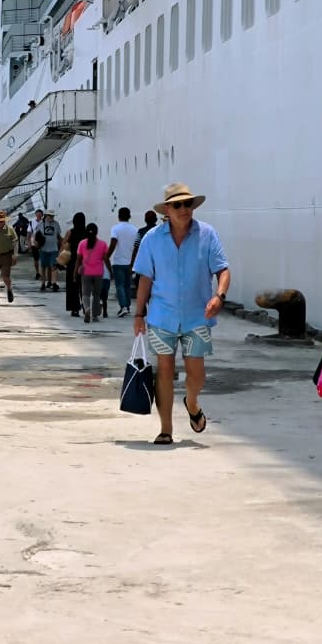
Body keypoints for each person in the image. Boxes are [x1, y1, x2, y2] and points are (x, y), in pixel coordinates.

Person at [133, 183, 230, 446]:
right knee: (164, 369)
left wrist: (219, 296)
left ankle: (192, 402)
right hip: (161, 316)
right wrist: (139, 314)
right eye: (178, 205)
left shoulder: (207, 234)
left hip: (197, 316)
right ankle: (166, 429)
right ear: (167, 209)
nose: (184, 209)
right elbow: (145, 278)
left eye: (188, 204)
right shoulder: (152, 239)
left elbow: (222, 269)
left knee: (196, 374)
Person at [76, 222, 110, 324]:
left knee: (85, 293)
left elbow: (78, 259)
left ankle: (87, 309)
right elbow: (106, 259)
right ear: (96, 232)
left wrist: (75, 271)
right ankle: (95, 315)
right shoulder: (103, 244)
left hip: (86, 272)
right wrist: (110, 270)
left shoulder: (82, 243)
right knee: (96, 294)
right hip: (98, 272)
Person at [107, 206, 137, 318]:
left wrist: (107, 256)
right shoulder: (134, 229)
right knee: (127, 286)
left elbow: (113, 243)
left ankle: (123, 306)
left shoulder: (115, 228)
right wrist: (133, 262)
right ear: (129, 216)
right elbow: (136, 247)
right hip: (130, 262)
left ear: (119, 216)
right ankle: (127, 307)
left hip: (118, 261)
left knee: (119, 285)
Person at [62, 212, 87, 317]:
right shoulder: (87, 232)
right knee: (84, 286)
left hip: (72, 261)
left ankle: (75, 308)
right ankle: (86, 307)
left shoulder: (70, 232)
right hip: (85, 262)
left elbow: (63, 244)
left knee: (73, 285)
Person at [130, 209, 158, 301]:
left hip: (144, 264)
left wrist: (132, 263)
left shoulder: (141, 231)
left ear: (145, 220)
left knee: (139, 283)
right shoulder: (160, 231)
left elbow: (136, 248)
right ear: (156, 219)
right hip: (157, 264)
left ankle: (144, 304)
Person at [37, 210, 61, 291]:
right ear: (46, 216)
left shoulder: (56, 224)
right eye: (50, 215)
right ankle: (43, 283)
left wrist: (62, 246)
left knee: (54, 266)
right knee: (43, 266)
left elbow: (58, 235)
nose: (51, 217)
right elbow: (36, 235)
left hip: (54, 249)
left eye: (52, 216)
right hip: (43, 249)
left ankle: (54, 283)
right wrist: (36, 244)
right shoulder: (41, 224)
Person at [29, 209, 45, 279]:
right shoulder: (31, 222)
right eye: (37, 214)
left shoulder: (44, 222)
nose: (38, 215)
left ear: (42, 215)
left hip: (43, 244)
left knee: (43, 259)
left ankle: (43, 272)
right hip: (34, 243)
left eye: (40, 214)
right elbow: (29, 233)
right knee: (36, 259)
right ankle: (37, 272)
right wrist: (29, 243)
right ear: (35, 215)